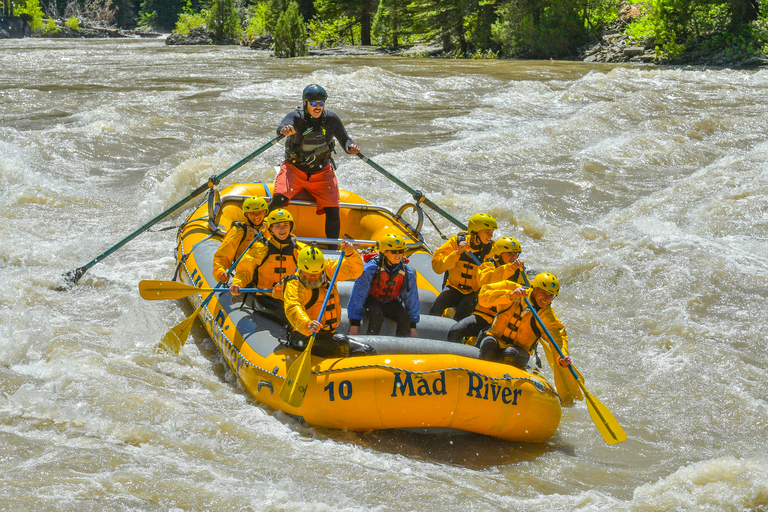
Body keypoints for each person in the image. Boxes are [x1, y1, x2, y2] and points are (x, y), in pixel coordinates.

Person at [268, 84, 360, 240]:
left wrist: (349, 146)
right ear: (305, 103)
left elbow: (345, 139)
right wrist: (284, 130)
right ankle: (263, 235)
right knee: (279, 199)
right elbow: (282, 126)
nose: (318, 107)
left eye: (321, 103)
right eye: (314, 103)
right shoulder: (296, 117)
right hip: (294, 169)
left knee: (332, 209)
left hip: (322, 172)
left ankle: (332, 248)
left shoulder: (331, 119)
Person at [283, 243, 373, 358]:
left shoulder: (329, 270)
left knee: (367, 351)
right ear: (300, 269)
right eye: (308, 273)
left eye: (316, 273)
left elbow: (355, 271)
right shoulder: (295, 284)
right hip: (303, 336)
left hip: (327, 334)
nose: (312, 276)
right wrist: (306, 324)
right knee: (342, 344)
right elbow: (293, 306)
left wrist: (350, 254)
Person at [476, 272, 572, 370]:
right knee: (488, 345)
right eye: (544, 293)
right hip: (495, 339)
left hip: (519, 352)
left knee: (510, 353)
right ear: (534, 289)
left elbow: (558, 336)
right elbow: (483, 297)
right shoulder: (514, 290)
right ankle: (478, 372)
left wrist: (562, 357)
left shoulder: (546, 315)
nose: (547, 299)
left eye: (551, 295)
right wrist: (509, 296)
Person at [229, 209, 306, 321]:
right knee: (286, 312)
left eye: (285, 225)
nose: (282, 229)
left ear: (291, 227)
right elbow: (245, 271)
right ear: (271, 229)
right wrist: (237, 283)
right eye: (278, 226)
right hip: (265, 297)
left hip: (291, 298)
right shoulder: (261, 248)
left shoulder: (300, 249)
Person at [446, 236, 525, 344]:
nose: (513, 257)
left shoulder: (519, 274)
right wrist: (509, 269)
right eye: (510, 253)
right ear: (499, 254)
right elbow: (487, 281)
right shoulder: (486, 266)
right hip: (482, 316)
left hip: (500, 321)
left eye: (515, 254)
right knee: (455, 331)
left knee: (481, 339)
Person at [347, 233, 420, 337]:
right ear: (384, 252)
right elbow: (359, 293)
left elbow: (411, 298)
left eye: (401, 251)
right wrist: (355, 323)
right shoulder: (371, 268)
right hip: (371, 300)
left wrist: (412, 327)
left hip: (390, 302)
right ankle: (370, 344)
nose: (398, 255)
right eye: (394, 252)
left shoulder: (407, 272)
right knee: (377, 315)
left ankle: (402, 347)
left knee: (405, 318)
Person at [428, 213, 496, 321]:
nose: (490, 236)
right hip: (454, 288)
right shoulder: (456, 242)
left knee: (462, 311)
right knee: (437, 306)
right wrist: (457, 253)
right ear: (475, 231)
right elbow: (437, 266)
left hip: (473, 293)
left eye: (492, 233)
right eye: (487, 232)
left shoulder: (491, 250)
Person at [212, 195, 268, 284]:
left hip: (267, 277)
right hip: (244, 275)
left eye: (260, 212)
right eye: (253, 213)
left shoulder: (272, 229)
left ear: (265, 212)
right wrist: (220, 272)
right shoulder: (238, 231)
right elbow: (222, 256)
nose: (257, 216)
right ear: (246, 214)